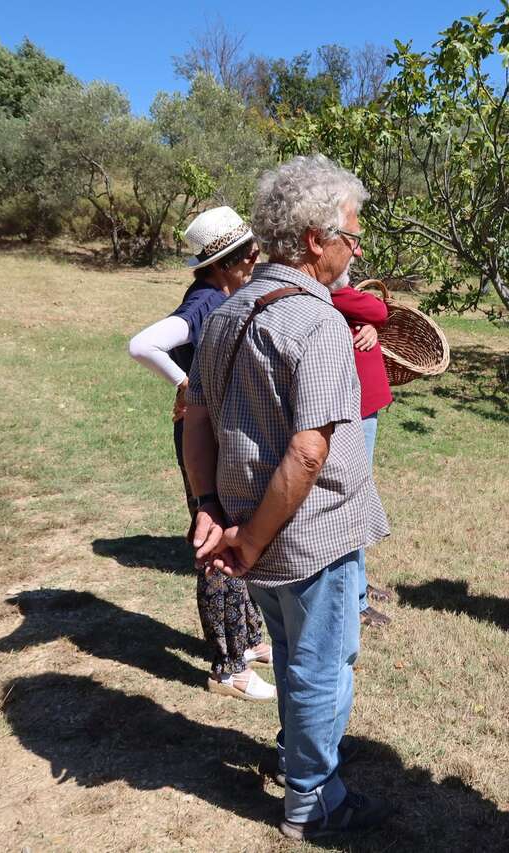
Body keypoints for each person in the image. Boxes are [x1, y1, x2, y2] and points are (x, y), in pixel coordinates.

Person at [183, 155, 392, 841]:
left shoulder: (226, 311)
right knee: (319, 664)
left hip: (256, 533)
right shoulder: (318, 321)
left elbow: (197, 417)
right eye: (351, 237)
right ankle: (312, 799)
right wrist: (250, 536)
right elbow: (308, 451)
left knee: (297, 652)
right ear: (313, 238)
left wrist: (210, 506)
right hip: (306, 537)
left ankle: (301, 757)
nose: (355, 249)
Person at [128, 206, 275, 701]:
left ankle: (249, 639)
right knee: (215, 542)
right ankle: (227, 667)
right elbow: (143, 345)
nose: (256, 257)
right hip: (203, 443)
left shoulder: (222, 294)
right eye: (246, 253)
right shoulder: (206, 302)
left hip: (220, 437)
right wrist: (187, 384)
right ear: (223, 262)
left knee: (235, 531)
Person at [330, 282, 394, 627]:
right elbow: (380, 309)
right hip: (352, 410)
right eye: (350, 243)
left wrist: (367, 325)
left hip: (363, 408)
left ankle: (358, 583)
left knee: (358, 496)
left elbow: (375, 315)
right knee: (354, 501)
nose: (356, 252)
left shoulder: (342, 293)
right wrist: (369, 318)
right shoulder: (332, 290)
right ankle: (355, 599)